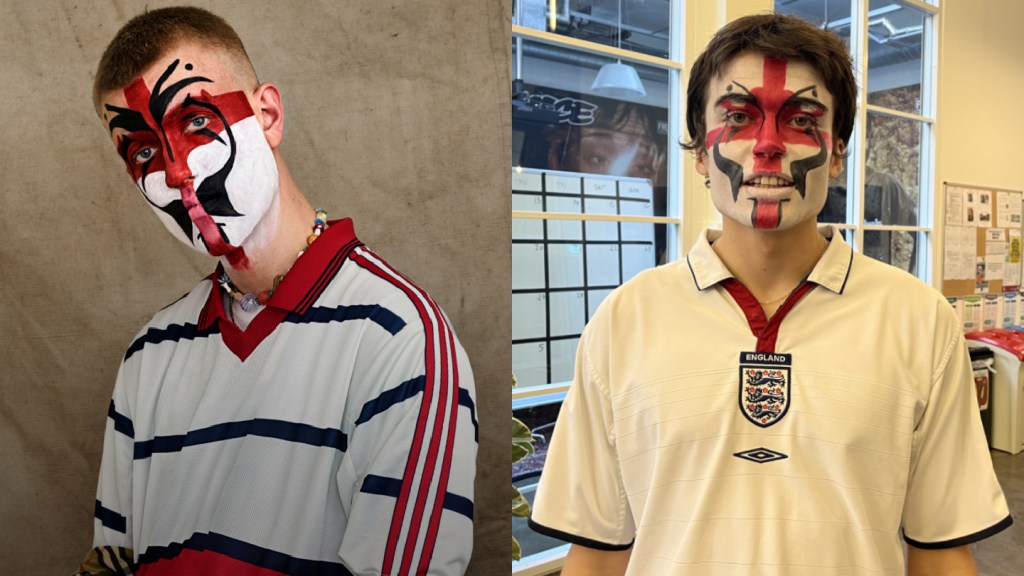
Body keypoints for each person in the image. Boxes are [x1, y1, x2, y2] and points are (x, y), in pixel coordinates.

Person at [529, 13, 1010, 576]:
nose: (768, 147)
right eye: (737, 117)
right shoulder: (624, 320)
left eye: (802, 119)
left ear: (836, 153)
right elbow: (598, 550)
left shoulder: (918, 319)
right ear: (700, 153)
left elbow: (942, 549)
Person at [75, 6, 476, 575]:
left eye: (195, 123)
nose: (177, 172)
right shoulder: (149, 353)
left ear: (267, 115)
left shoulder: (400, 339)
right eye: (143, 151)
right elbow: (111, 563)